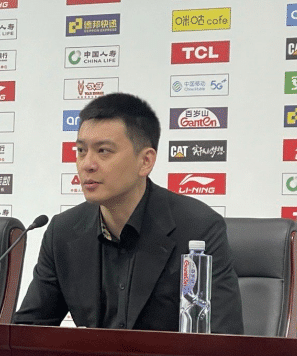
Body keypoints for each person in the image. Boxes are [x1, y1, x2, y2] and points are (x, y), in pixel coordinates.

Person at [13, 93, 243, 333]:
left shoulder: (198, 228)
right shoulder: (63, 232)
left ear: (145, 161)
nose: (87, 164)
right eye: (81, 150)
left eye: (103, 151)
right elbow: (27, 332)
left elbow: (224, 337)